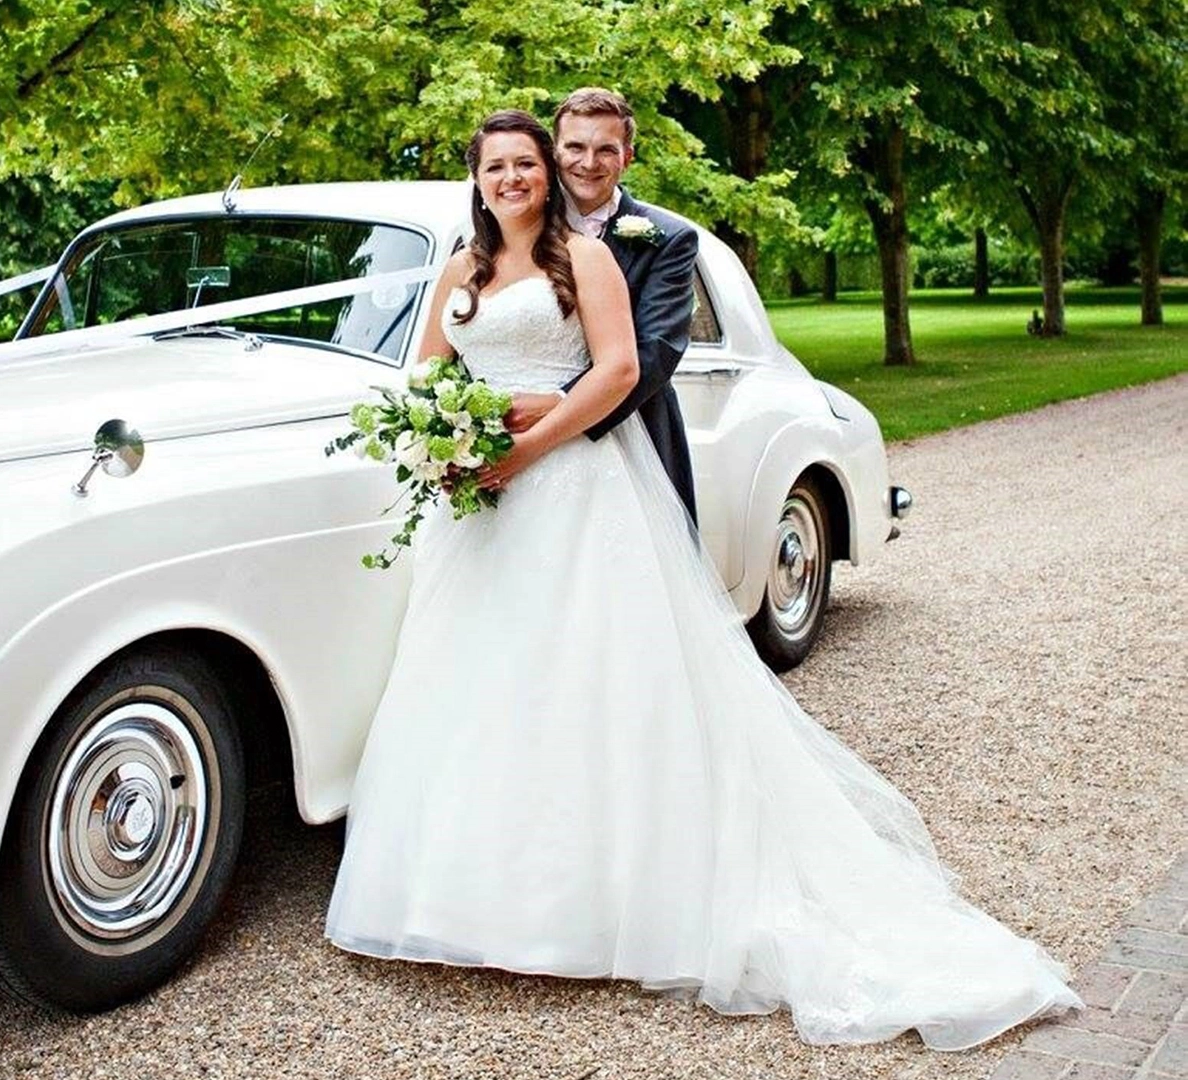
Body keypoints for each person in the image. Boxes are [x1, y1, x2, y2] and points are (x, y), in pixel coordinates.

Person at [323, 107, 1081, 1050]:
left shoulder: (585, 259)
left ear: (548, 176)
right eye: (498, 166)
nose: (514, 178)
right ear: (474, 177)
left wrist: (519, 452)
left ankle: (603, 904)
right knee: (485, 686)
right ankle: (475, 901)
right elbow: (426, 375)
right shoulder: (460, 272)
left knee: (591, 683)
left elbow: (619, 371)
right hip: (479, 510)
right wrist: (443, 438)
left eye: (527, 164)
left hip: (569, 487)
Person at [505, 87, 700, 522]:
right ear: (554, 152)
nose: (588, 163)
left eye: (605, 150)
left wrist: (559, 403)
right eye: (575, 146)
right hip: (514, 428)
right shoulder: (509, 225)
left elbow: (657, 351)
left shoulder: (668, 239)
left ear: (627, 156)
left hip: (631, 433)